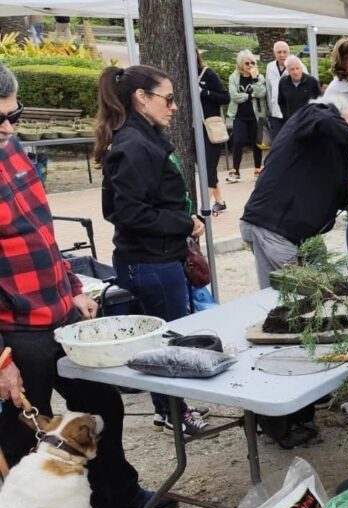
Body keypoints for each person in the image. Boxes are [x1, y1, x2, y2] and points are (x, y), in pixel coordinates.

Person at [0, 62, 178, 508]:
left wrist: (72, 285)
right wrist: (1, 361)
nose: (6, 127)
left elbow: (38, 232)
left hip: (59, 310)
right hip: (14, 329)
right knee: (25, 433)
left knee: (104, 405)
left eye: (12, 116)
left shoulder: (14, 150)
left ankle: (114, 494)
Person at [96, 64, 214, 438]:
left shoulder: (142, 139)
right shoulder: (132, 145)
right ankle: (173, 411)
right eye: (168, 98)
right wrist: (183, 223)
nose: (175, 106)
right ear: (141, 98)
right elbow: (126, 213)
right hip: (149, 261)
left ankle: (173, 406)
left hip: (158, 256)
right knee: (166, 342)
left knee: (168, 336)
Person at [240, 97, 348, 288]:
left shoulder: (339, 149)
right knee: (288, 299)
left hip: (305, 238)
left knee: (328, 288)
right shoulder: (315, 114)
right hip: (274, 229)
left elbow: (335, 194)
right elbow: (324, 120)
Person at [225, 49, 268, 184]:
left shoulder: (259, 77)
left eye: (252, 62)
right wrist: (250, 95)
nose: (250, 65)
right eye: (247, 63)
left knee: (257, 143)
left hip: (256, 115)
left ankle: (257, 169)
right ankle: (235, 171)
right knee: (238, 141)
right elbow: (234, 96)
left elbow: (261, 93)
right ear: (240, 64)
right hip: (239, 115)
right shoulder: (234, 77)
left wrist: (254, 79)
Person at [196, 51, 231, 215]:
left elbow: (225, 97)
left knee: (208, 166)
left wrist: (204, 93)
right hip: (195, 128)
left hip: (211, 128)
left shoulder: (207, 74)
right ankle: (220, 201)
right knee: (205, 166)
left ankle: (204, 206)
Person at [265, 41, 307, 138]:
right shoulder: (270, 67)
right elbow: (269, 90)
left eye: (284, 52)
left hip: (294, 113)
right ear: (274, 54)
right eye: (279, 52)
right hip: (276, 113)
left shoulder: (299, 66)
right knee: (277, 142)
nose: (282, 55)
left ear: (289, 53)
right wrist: (271, 110)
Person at [277, 55, 321, 123]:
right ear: (287, 70)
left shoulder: (312, 81)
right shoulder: (283, 82)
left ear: (301, 68)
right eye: (292, 69)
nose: (295, 72)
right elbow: (281, 102)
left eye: (297, 68)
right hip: (292, 122)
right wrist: (286, 117)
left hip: (309, 121)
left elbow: (319, 101)